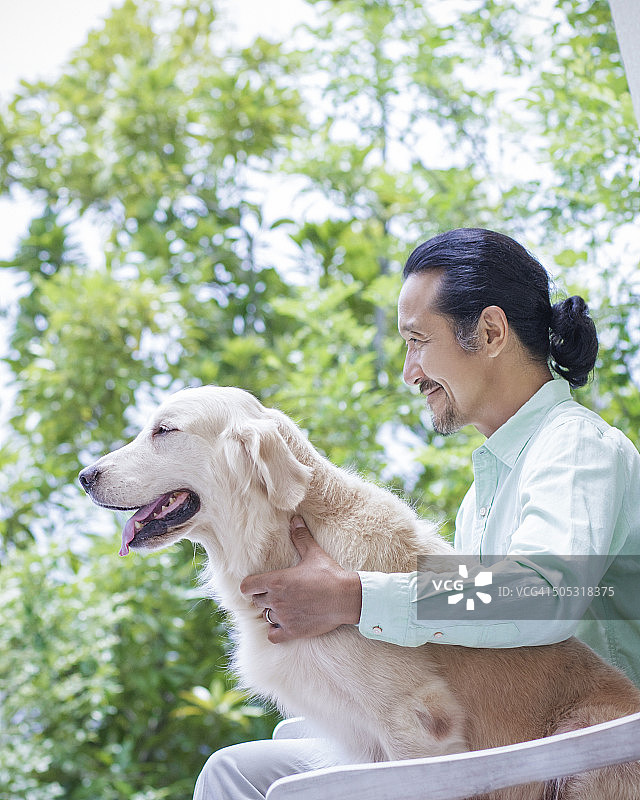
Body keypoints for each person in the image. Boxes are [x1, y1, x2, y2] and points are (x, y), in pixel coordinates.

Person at [193, 227, 640, 800]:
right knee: (234, 772)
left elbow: (545, 593)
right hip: (501, 739)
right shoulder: (484, 492)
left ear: (491, 331)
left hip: (591, 754)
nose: (410, 372)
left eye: (418, 340)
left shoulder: (575, 446)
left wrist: (351, 596)